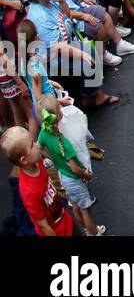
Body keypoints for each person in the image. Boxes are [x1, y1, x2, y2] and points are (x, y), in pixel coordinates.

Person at [35, 96, 103, 236]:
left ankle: (83, 228)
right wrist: (86, 174)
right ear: (59, 114)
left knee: (75, 205)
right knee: (85, 209)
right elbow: (75, 169)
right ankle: (94, 232)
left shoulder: (44, 132)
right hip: (74, 179)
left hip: (63, 176)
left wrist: (52, 157)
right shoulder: (64, 143)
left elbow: (39, 147)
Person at [2, 125, 74, 236]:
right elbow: (43, 225)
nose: (37, 145)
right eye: (32, 145)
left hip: (63, 218)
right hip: (57, 231)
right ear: (24, 160)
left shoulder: (37, 162)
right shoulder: (30, 192)